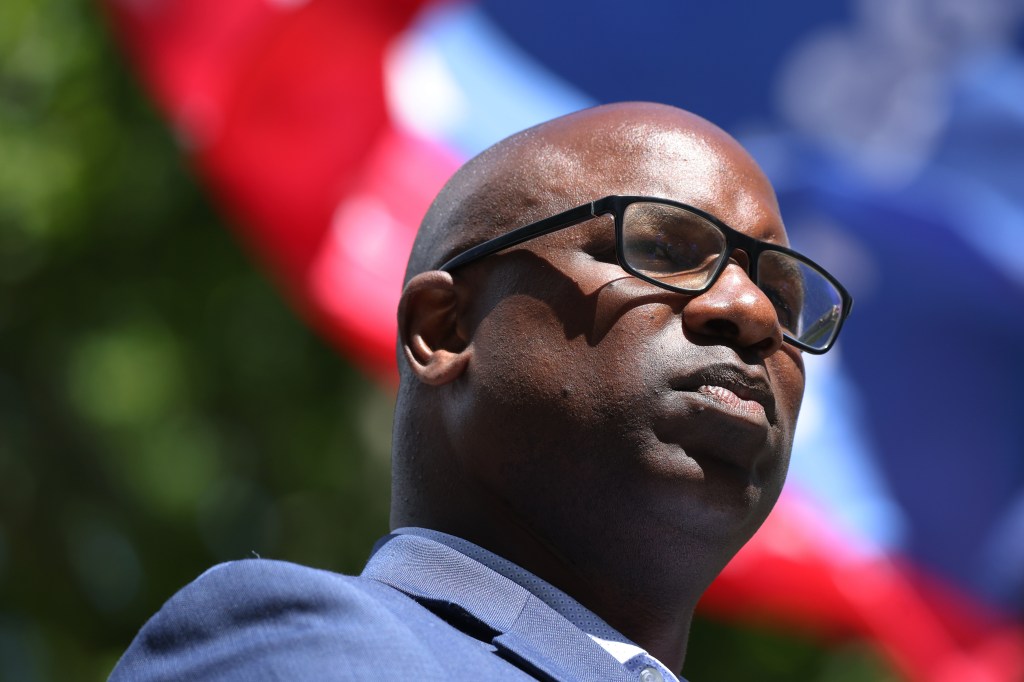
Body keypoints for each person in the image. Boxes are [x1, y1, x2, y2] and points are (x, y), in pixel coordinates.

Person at [110, 102, 851, 681]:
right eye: (661, 250)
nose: (754, 314)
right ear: (446, 329)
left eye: (783, 301)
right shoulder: (302, 647)